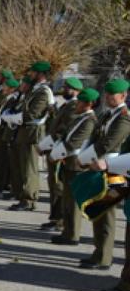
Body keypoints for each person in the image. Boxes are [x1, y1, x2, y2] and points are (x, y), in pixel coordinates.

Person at [78, 79, 130, 270]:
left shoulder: (124, 117)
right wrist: (85, 157)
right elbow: (96, 138)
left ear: (123, 96)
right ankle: (98, 252)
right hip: (99, 165)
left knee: (106, 212)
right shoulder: (109, 114)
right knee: (97, 209)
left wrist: (86, 158)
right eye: (106, 94)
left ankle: (104, 257)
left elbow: (108, 143)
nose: (107, 97)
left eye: (112, 95)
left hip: (113, 168)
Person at [50, 88, 98, 246]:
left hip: (77, 164)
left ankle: (73, 235)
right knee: (67, 201)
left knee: (74, 203)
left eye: (80, 102)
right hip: (69, 162)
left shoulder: (90, 121)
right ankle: (67, 232)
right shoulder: (81, 118)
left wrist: (56, 154)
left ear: (89, 104)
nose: (77, 104)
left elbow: (74, 143)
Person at [9, 62, 53, 211]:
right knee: (23, 167)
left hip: (33, 132)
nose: (30, 75)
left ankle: (29, 199)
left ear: (40, 74)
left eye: (33, 73)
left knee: (30, 168)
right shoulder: (35, 90)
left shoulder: (43, 91)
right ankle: (24, 196)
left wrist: (14, 118)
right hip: (25, 131)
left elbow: (33, 113)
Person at [40, 76, 83, 230]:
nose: (64, 90)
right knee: (54, 185)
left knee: (58, 187)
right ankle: (55, 217)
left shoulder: (74, 107)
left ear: (76, 91)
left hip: (61, 152)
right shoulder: (67, 105)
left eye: (67, 88)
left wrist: (47, 145)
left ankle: (60, 220)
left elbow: (64, 130)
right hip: (55, 149)